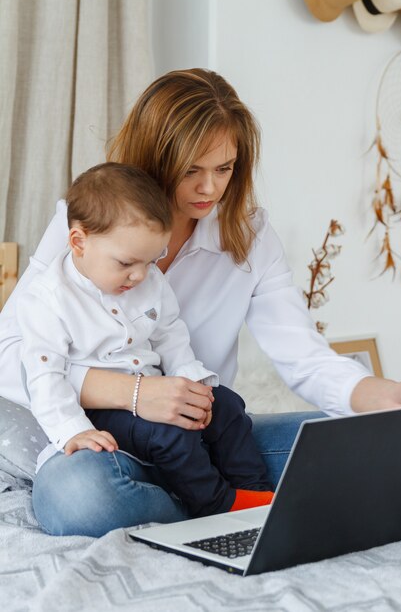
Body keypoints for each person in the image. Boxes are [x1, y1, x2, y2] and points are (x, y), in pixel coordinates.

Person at [1, 68, 401, 537]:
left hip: (208, 442)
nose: (209, 189)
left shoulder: (250, 237)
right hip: (107, 450)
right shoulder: (89, 223)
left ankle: (223, 504)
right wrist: (137, 394)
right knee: (78, 498)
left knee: (385, 448)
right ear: (156, 158)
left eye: (225, 169)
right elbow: (10, 355)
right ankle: (216, 519)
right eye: (191, 170)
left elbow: (303, 356)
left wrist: (374, 396)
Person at [16, 162, 274, 518]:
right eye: (126, 263)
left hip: (158, 389)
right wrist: (72, 430)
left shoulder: (149, 280)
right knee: (172, 434)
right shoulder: (46, 299)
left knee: (228, 406)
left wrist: (192, 380)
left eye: (152, 261)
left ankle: (256, 493)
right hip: (100, 412)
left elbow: (170, 333)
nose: (139, 275)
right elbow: (44, 377)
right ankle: (214, 505)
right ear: (78, 242)